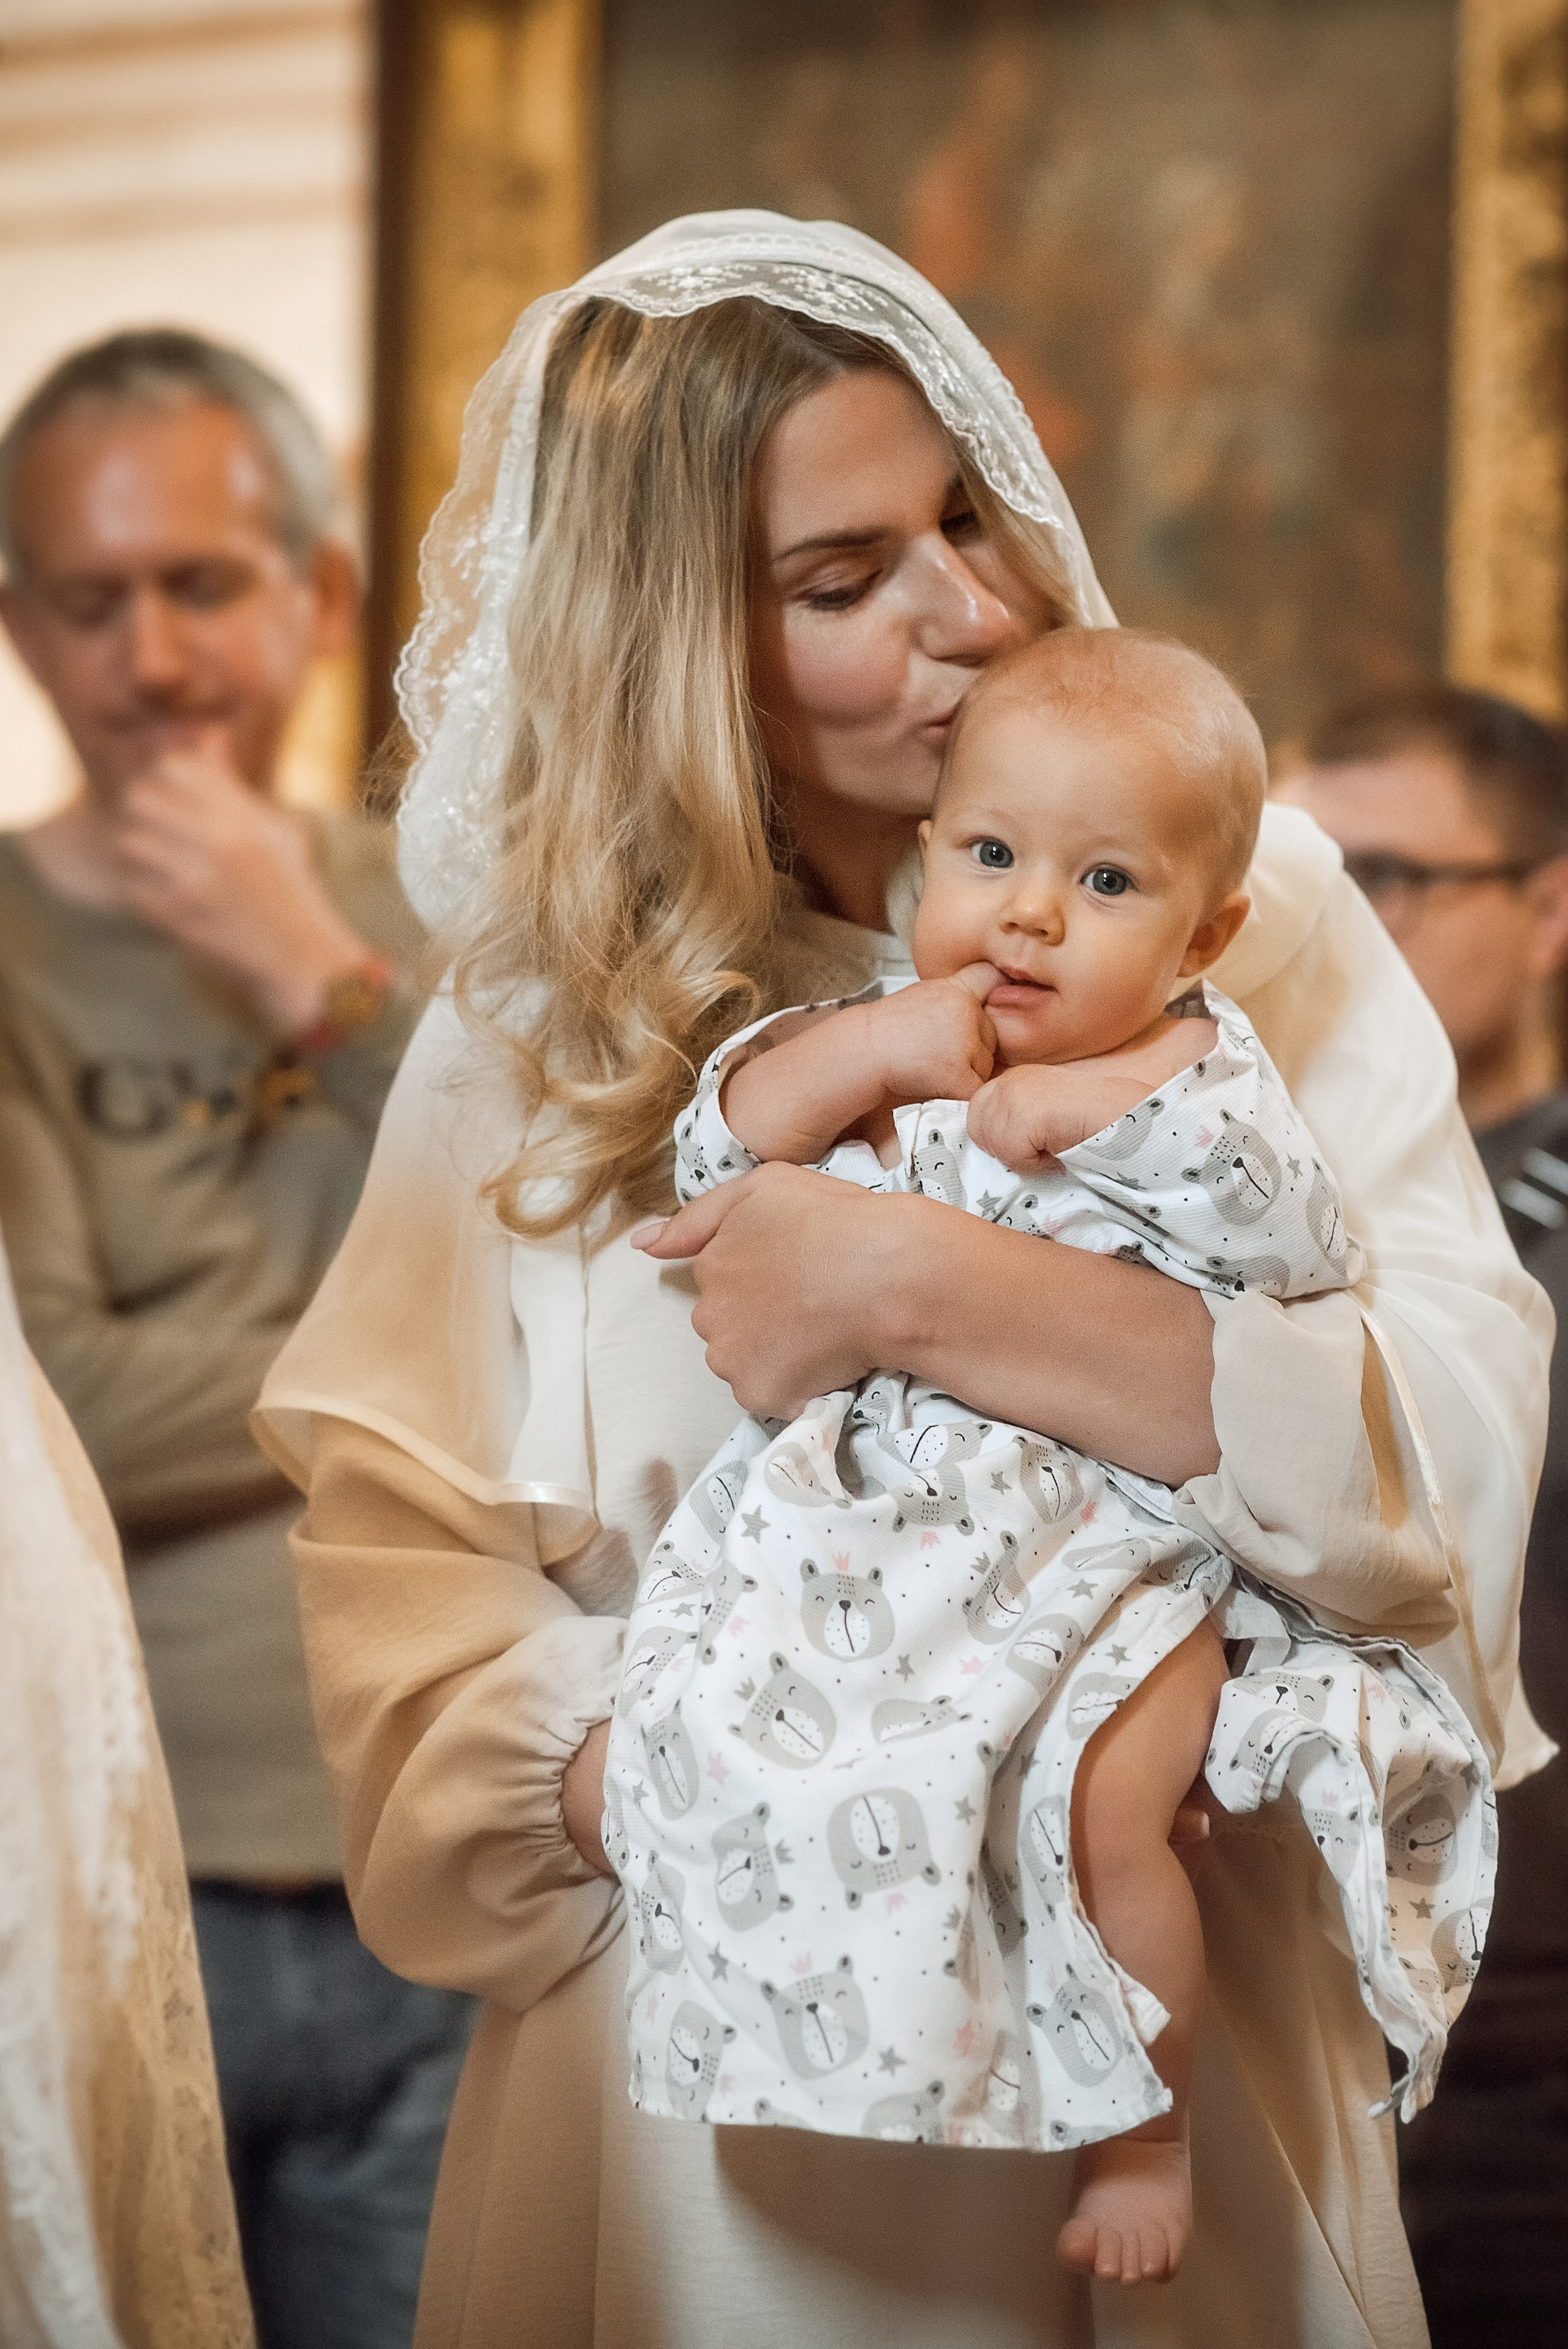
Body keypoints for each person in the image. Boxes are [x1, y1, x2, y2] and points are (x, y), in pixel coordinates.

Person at [254, 216, 1548, 2349]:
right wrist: (790, 1786)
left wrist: (908, 1281)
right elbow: (406, 1596)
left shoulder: (1262, 912)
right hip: (729, 2097)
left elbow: (1455, 1448)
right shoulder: (549, 1028)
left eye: (970, 515)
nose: (971, 612)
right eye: (845, 583)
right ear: (687, 651)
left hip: (1178, 2060)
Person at [609, 625, 1492, 2290]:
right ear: (928, 860)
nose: (1028, 911)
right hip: (873, 1543)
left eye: (1102, 882)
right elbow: (710, 1151)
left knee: (1109, 1813)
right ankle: (770, 2042)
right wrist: (870, 1057)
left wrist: (1122, 1104)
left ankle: (1140, 2131)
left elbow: (1292, 1240)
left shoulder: (1198, 1066)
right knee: (735, 1735)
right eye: (995, 856)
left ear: (1200, 932)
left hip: (1116, 1537)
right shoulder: (876, 1035)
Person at [0, 330, 471, 2349]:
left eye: (203, 586)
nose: (155, 662)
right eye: (88, 603)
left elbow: (615, 1298)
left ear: (321, 595)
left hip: (448, 1869)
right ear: (18, 624)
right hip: (96, 1877)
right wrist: (423, 1354)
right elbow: (49, 1408)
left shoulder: (466, 934)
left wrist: (332, 990)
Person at [1276, 683, 1568, 2349]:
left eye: (1384, 876)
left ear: (1546, 906)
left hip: (1524, 2058)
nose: (1328, 923)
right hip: (1263, 2022)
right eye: (1299, 869)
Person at [0, 1231, 254, 2349]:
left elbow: (476, 1357)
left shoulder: (383, 1072)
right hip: (192, 1879)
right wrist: (350, 1369)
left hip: (390, 1882)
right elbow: (93, 1400)